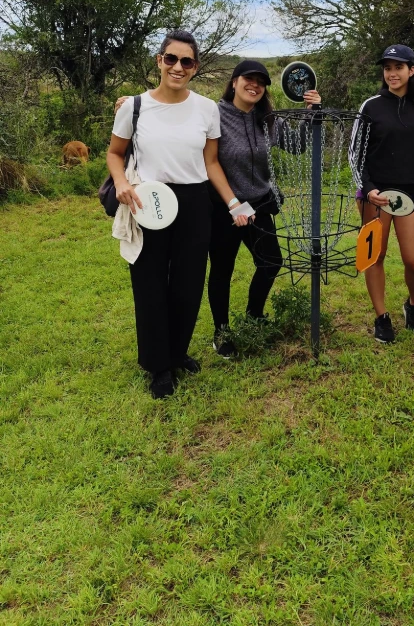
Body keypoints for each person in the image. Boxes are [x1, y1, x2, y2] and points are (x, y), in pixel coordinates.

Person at [107, 29, 240, 398]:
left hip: (196, 202)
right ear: (159, 61)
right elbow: (115, 153)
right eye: (171, 59)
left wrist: (231, 201)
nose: (178, 67)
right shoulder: (135, 106)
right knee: (149, 285)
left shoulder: (207, 109)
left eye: (187, 61)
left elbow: (211, 162)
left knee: (188, 284)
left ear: (195, 68)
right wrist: (121, 183)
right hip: (148, 201)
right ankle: (158, 366)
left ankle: (178, 352)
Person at [209, 60, 321, 358]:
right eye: (249, 79)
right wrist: (135, 104)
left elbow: (297, 146)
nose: (255, 85)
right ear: (234, 82)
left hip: (259, 204)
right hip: (223, 205)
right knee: (222, 269)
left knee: (271, 262)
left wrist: (310, 113)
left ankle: (254, 315)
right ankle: (221, 333)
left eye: (261, 82)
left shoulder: (268, 119)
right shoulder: (213, 115)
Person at [351, 44, 414, 344]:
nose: (392, 73)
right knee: (374, 256)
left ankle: (413, 306)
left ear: (412, 70)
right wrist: (369, 190)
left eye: (399, 67)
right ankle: (381, 317)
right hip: (376, 195)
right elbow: (355, 154)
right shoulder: (370, 106)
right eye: (387, 68)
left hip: (413, 197)